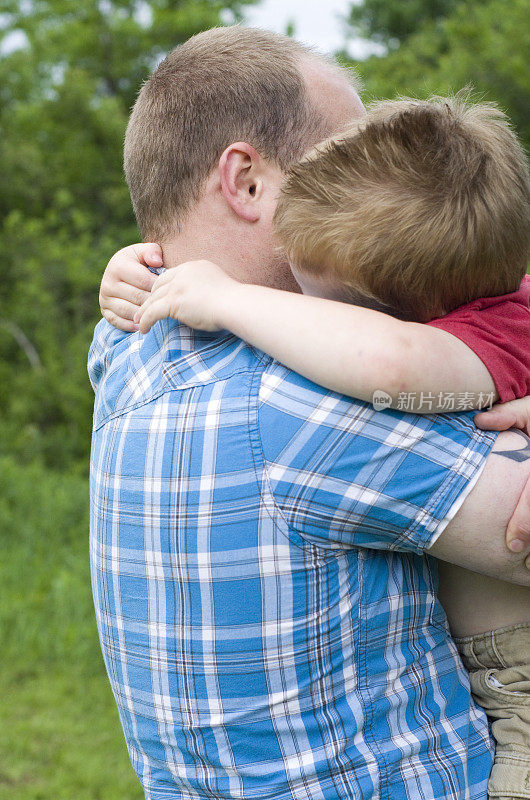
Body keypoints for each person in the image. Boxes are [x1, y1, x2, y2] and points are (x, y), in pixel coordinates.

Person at [90, 27, 530, 800]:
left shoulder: (121, 348)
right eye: (338, 162)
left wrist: (138, 266)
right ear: (247, 182)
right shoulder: (298, 400)